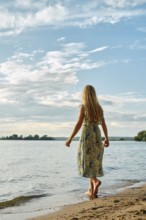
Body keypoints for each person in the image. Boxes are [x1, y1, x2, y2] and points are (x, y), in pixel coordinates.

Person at [65, 85, 109, 198]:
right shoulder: (99, 108)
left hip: (87, 136)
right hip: (97, 135)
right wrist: (106, 138)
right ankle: (91, 190)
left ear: (84, 95)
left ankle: (95, 181)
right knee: (93, 161)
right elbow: (103, 124)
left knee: (86, 160)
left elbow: (79, 124)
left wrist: (70, 139)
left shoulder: (84, 107)